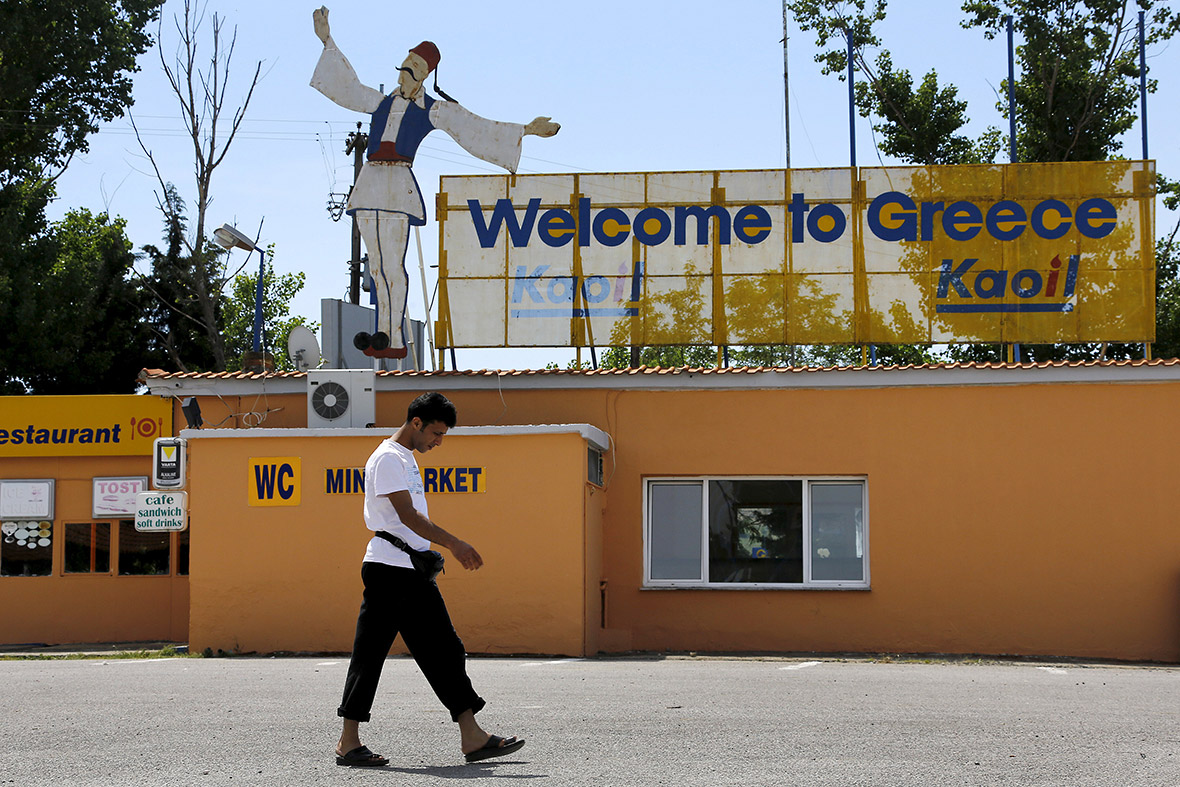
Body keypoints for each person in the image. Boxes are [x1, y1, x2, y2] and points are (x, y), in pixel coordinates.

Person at [310, 6, 560, 359]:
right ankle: (382, 333)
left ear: (425, 75)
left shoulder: (432, 110)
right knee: (378, 265)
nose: (405, 76)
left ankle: (393, 336)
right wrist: (327, 41)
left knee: (394, 264)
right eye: (404, 68)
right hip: (371, 182)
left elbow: (474, 127)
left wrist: (525, 130)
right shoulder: (380, 102)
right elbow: (347, 87)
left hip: (397, 184)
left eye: (413, 71)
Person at [335, 391, 524, 767]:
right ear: (416, 423)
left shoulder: (405, 457)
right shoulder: (388, 458)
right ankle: (348, 742)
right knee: (370, 654)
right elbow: (406, 516)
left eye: (443, 435)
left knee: (445, 649)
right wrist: (455, 543)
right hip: (388, 571)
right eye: (435, 433)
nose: (438, 442)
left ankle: (472, 736)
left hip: (410, 571)